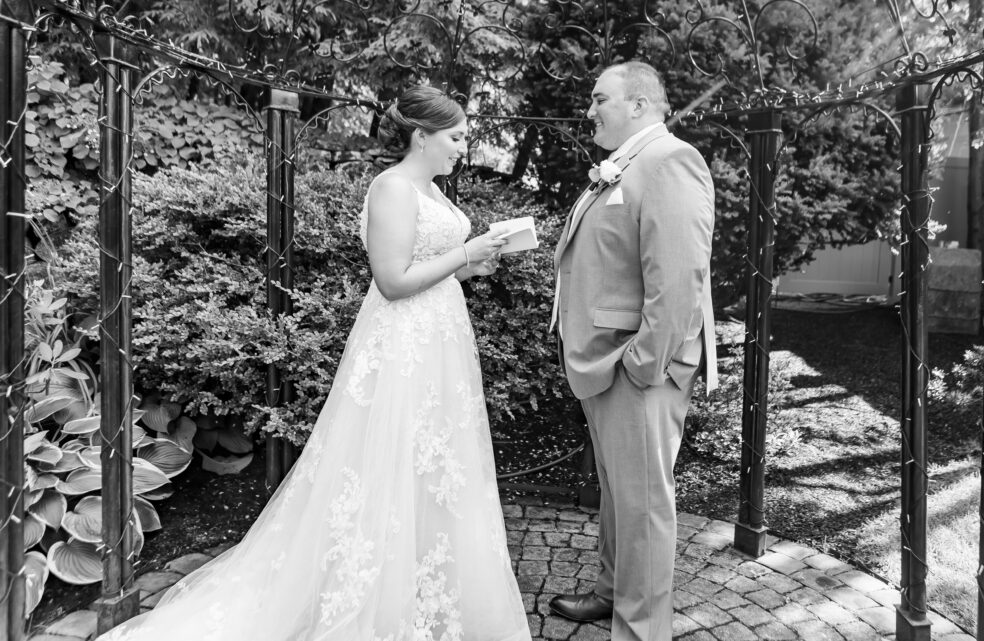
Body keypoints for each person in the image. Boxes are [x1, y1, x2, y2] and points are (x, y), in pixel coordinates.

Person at [96, 85, 530, 641]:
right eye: (455, 136)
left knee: (437, 464)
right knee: (388, 458)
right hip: (403, 344)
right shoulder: (393, 188)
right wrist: (465, 253)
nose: (462, 146)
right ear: (422, 136)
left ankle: (428, 586)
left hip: (443, 340)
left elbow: (434, 267)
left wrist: (475, 265)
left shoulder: (435, 193)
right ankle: (370, 598)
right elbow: (393, 282)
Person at [547, 61, 718, 641]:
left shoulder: (670, 162)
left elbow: (676, 282)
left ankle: (641, 629)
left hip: (636, 367)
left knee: (643, 504)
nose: (590, 109)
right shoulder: (625, 165)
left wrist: (642, 365)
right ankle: (610, 593)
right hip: (605, 361)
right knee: (621, 494)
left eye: (601, 98)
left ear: (640, 104)